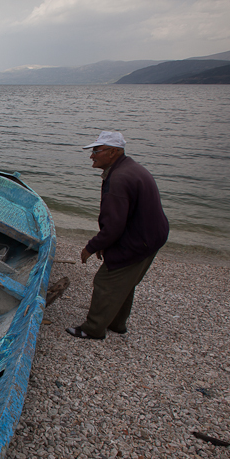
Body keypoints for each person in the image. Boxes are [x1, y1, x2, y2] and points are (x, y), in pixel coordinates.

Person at [66, 131, 169, 340]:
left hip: (139, 240)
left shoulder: (119, 179)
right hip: (150, 236)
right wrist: (108, 243)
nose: (92, 156)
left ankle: (93, 329)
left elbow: (113, 226)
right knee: (124, 281)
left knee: (106, 281)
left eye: (97, 150)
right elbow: (123, 219)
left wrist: (91, 247)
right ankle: (117, 324)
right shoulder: (130, 169)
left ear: (114, 152)